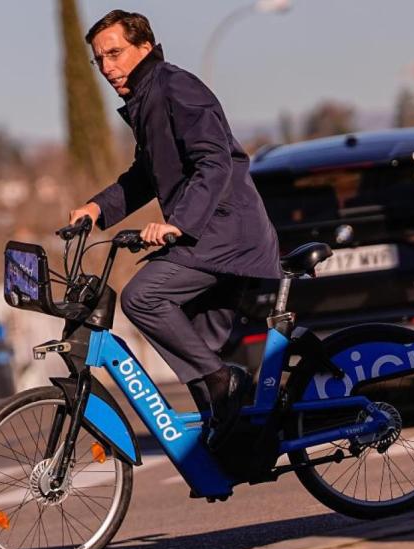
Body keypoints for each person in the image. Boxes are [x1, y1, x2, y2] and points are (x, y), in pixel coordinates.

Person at [68, 10, 282, 448]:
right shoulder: (148, 98)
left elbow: (213, 160)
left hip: (225, 236)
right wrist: (96, 208)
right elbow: (146, 175)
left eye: (115, 53)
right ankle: (235, 448)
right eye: (99, 59)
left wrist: (177, 224)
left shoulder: (175, 86)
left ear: (144, 47)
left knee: (143, 297)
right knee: (197, 351)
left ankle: (228, 384)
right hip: (210, 235)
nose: (107, 68)